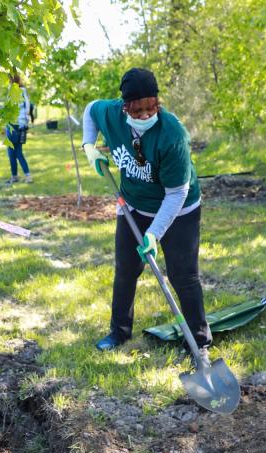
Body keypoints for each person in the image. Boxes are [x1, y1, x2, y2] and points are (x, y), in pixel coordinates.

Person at [81, 67, 210, 364]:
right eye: (137, 110)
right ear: (125, 106)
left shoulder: (172, 134)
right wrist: (89, 147)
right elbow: (89, 110)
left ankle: (199, 342)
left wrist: (154, 233)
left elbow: (176, 194)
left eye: (151, 107)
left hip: (179, 210)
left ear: (158, 102)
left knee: (184, 276)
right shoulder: (111, 114)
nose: (144, 115)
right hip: (134, 206)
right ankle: (119, 331)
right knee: (126, 269)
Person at [5, 72, 32, 184]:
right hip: (20, 125)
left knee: (14, 152)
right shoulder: (23, 91)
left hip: (13, 125)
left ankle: (21, 176)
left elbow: (8, 108)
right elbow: (27, 109)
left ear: (11, 80)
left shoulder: (13, 91)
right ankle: (21, 176)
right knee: (16, 152)